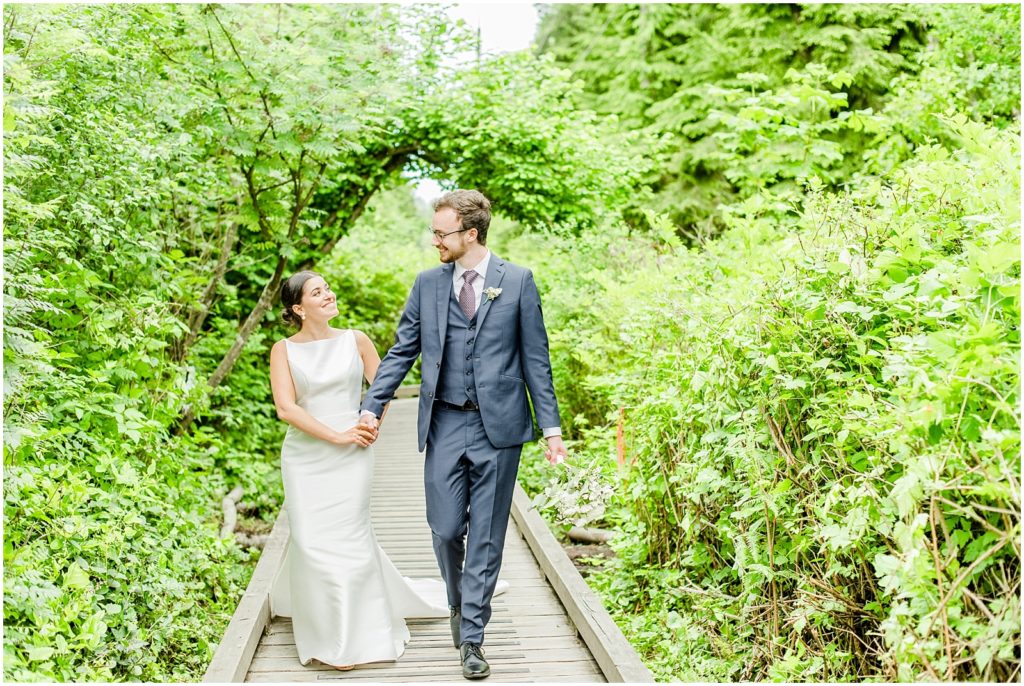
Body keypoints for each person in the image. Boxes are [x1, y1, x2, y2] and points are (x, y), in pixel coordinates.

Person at [359, 190, 568, 680]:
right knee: (447, 528)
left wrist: (551, 427)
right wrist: (372, 405)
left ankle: (473, 636)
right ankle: (458, 603)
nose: (434, 240)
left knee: (488, 537)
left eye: (441, 232)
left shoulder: (516, 281)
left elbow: (536, 358)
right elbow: (401, 351)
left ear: (470, 234)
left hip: (501, 428)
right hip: (446, 421)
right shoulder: (428, 284)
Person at [267, 270, 450, 670]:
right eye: (318, 292)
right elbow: (286, 408)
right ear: (299, 308)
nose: (329, 295)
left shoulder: (356, 339)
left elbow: (383, 386)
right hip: (306, 458)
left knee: (350, 537)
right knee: (313, 542)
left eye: (328, 288)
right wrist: (336, 436)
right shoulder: (283, 350)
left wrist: (370, 423)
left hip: (353, 455)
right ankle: (325, 633)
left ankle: (356, 636)